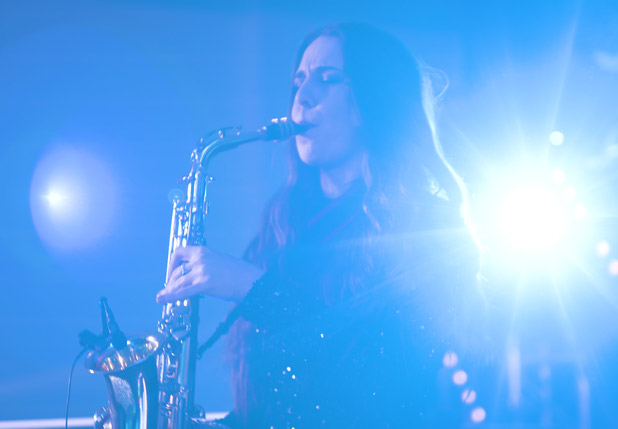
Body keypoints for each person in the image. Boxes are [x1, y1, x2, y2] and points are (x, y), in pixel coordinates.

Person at [157, 23, 485, 427]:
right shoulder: (281, 226)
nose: (302, 97)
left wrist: (253, 286)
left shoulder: (429, 229)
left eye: (326, 79)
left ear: (374, 99)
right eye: (298, 81)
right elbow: (272, 407)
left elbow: (381, 386)